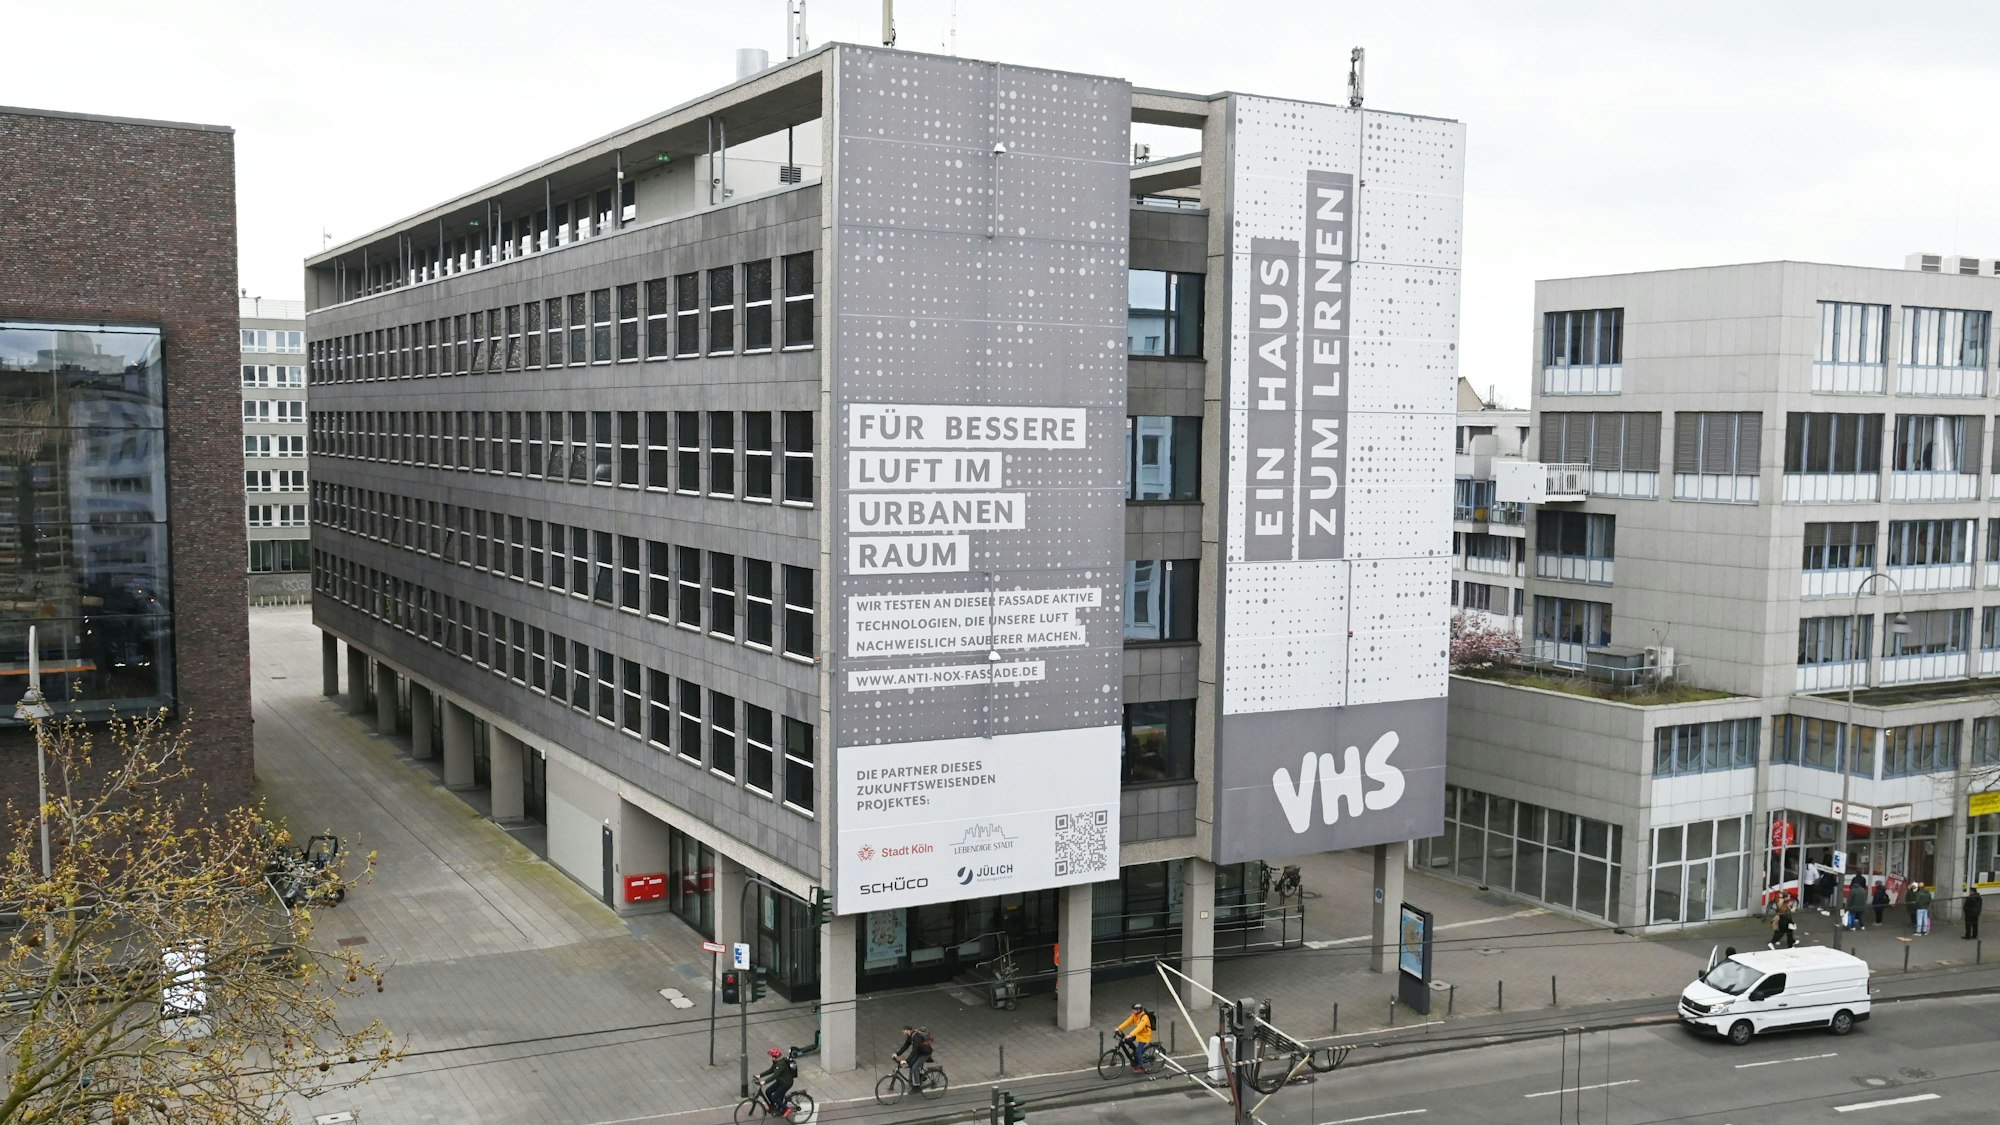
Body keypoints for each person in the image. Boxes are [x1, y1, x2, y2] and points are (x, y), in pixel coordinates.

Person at [1114, 1002, 1155, 1073]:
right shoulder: (1135, 1015)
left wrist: (1130, 1034)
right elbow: (1128, 1021)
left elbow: (1139, 1027)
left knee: (1138, 1051)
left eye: (1134, 1010)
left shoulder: (1144, 1017)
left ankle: (1141, 1067)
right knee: (1126, 1040)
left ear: (1138, 1010)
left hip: (1145, 1036)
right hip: (1138, 1034)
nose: (1132, 1011)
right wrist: (1119, 1028)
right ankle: (1135, 1052)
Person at [892, 1025, 933, 1090]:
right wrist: (897, 1054)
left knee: (914, 1067)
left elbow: (914, 1051)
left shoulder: (916, 1037)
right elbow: (905, 1046)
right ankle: (921, 1076)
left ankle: (917, 1086)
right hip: (920, 1052)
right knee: (911, 1064)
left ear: (908, 1030)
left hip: (925, 1054)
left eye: (904, 1030)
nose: (903, 1031)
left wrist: (906, 1060)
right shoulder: (910, 1036)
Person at [759, 1047, 797, 1116]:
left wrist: (765, 1082)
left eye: (771, 1056)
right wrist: (760, 1075)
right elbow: (771, 1070)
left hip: (786, 1083)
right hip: (781, 1081)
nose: (770, 1057)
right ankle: (773, 1106)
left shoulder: (781, 1064)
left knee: (774, 1097)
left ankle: (787, 1109)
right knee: (768, 1091)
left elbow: (774, 1076)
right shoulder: (776, 1062)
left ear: (774, 1057)